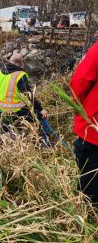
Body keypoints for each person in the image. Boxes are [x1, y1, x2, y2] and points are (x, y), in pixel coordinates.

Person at [0, 53, 48, 137]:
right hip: (15, 111)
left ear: (9, 60)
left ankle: (1, 135)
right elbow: (28, 96)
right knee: (41, 116)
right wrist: (41, 109)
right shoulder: (20, 76)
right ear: (20, 63)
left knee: (2, 129)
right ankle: (44, 139)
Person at [70, 41, 98, 204]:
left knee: (91, 182)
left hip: (93, 130)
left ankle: (88, 218)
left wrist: (77, 108)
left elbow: (80, 80)